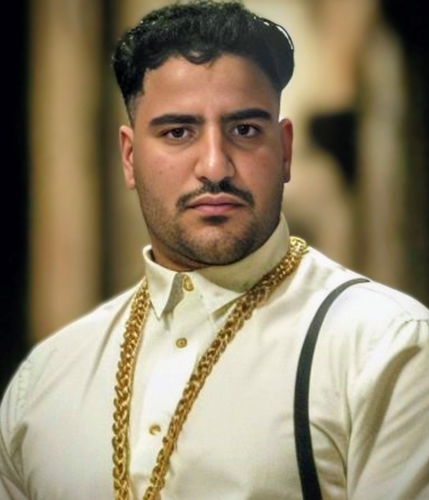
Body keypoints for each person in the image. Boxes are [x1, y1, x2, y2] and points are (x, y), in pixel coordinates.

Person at [1, 1, 428, 499]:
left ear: (285, 150)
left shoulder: (384, 348)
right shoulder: (44, 382)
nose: (214, 167)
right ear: (130, 157)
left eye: (244, 130)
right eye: (178, 132)